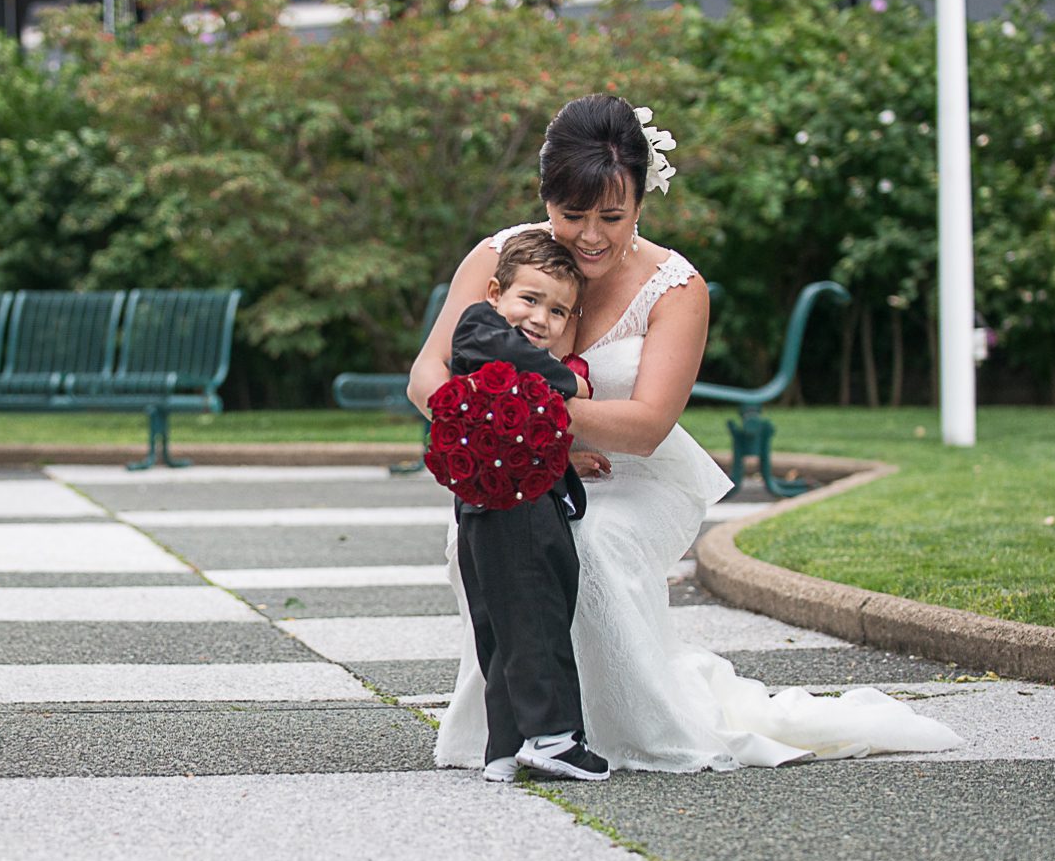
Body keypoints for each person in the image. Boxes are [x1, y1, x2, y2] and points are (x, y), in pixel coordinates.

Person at [408, 94, 962, 773]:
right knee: (490, 531)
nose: (587, 236)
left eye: (610, 216)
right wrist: (519, 437)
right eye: (569, 214)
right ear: (543, 197)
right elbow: (427, 378)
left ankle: (623, 728)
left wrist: (520, 410)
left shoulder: (675, 287)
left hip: (635, 475)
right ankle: (517, 729)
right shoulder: (503, 259)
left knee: (592, 541)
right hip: (535, 463)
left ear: (641, 200)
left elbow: (644, 428)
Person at [440, 230, 606, 783]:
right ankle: (555, 735)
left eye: (558, 311)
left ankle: (506, 746)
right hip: (510, 507)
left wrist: (566, 459)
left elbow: (527, 424)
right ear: (495, 293)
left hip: (509, 499)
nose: (541, 319)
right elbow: (506, 359)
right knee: (533, 615)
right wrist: (567, 384)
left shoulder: (528, 356)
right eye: (529, 300)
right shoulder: (479, 328)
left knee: (512, 623)